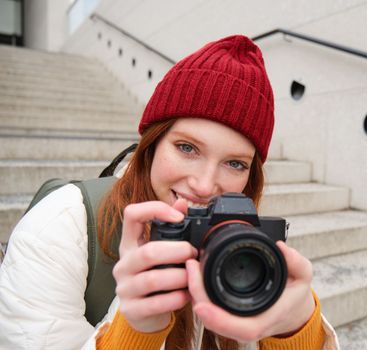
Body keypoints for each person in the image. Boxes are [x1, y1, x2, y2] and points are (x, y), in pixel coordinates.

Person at [0, 35, 339, 349]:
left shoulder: (244, 249)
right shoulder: (61, 226)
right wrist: (135, 330)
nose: (205, 185)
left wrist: (296, 330)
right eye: (187, 148)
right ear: (152, 144)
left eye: (235, 164)